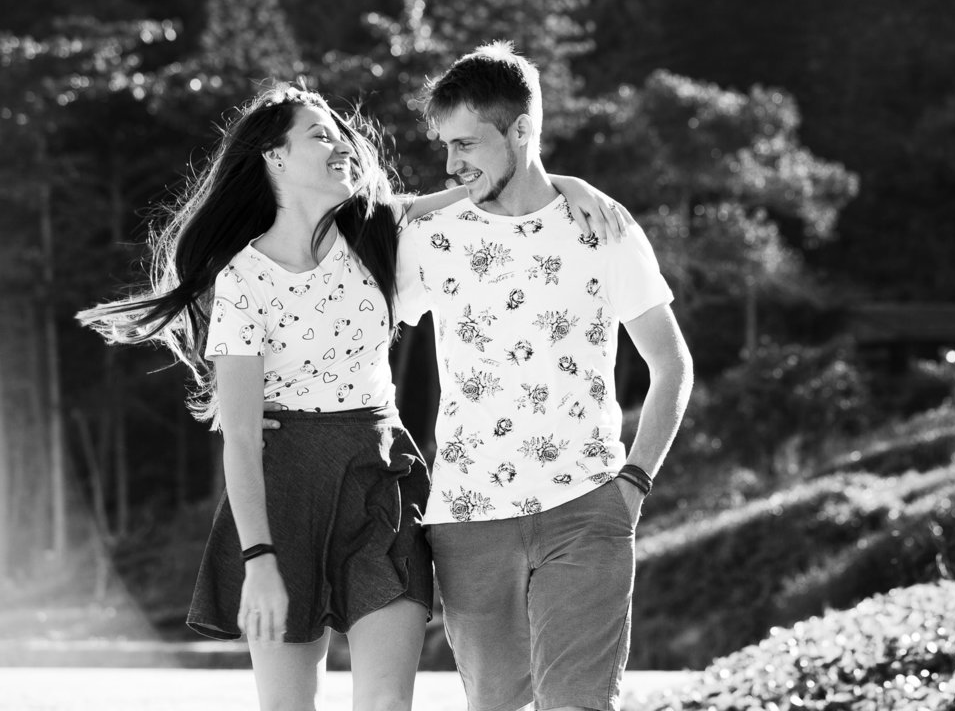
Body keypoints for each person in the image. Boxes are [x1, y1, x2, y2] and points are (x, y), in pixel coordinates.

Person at [76, 84, 631, 711]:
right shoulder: (241, 281)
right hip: (287, 488)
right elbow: (240, 437)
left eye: (339, 131)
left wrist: (576, 187)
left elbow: (496, 184)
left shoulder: (374, 229)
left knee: (386, 704)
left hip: (379, 473)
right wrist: (257, 560)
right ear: (275, 158)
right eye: (320, 134)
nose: (342, 143)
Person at [396, 42, 694, 711]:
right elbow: (339, 268)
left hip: (586, 508)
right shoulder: (429, 235)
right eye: (446, 146)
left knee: (578, 705)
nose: (453, 161)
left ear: (521, 130)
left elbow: (672, 363)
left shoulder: (603, 228)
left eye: (467, 143)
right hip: (468, 517)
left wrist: (634, 485)